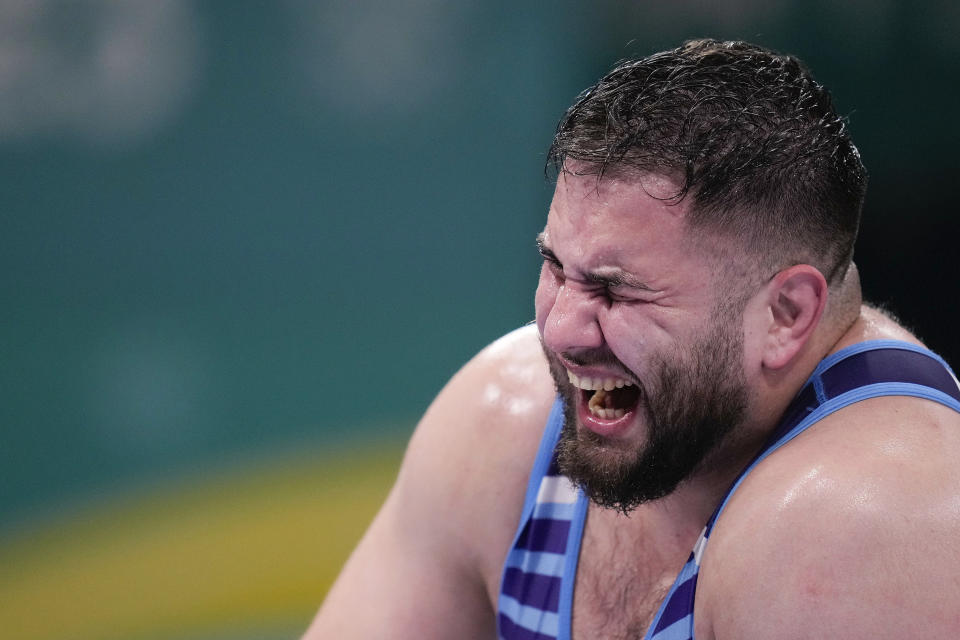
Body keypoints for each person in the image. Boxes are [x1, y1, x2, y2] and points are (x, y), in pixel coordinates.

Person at [304, 39, 960, 639]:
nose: (558, 330)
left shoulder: (864, 523)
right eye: (556, 268)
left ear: (785, 314)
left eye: (617, 291)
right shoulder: (502, 427)